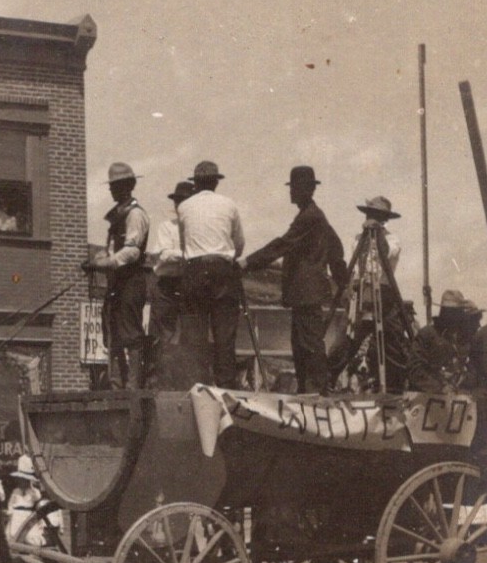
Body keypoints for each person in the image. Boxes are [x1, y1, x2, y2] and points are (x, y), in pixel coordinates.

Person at [239, 166, 349, 394]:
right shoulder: (314, 216)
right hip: (305, 293)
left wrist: (248, 262)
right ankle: (308, 390)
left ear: (307, 189)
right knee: (301, 345)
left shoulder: (309, 217)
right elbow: (336, 247)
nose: (291, 192)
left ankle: (317, 391)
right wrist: (341, 279)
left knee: (309, 345)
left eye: (295, 187)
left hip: (306, 293)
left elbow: (282, 244)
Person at [82, 161, 153, 388]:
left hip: (131, 280)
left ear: (128, 186)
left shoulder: (135, 215)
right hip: (116, 282)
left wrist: (108, 263)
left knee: (131, 333)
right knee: (110, 331)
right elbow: (111, 247)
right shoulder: (117, 216)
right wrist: (98, 260)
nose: (113, 190)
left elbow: (132, 250)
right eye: (112, 186)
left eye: (117, 185)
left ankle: (132, 386)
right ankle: (116, 385)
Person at [177, 161, 245, 387]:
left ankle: (197, 389)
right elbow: (238, 244)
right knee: (224, 336)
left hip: (194, 270)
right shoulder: (229, 205)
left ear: (195, 184)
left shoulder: (184, 207)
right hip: (222, 269)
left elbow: (183, 244)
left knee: (195, 337)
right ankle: (226, 389)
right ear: (216, 182)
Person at [344, 195, 414, 391]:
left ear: (384, 219)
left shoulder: (393, 239)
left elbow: (386, 254)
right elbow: (355, 267)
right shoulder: (357, 240)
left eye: (376, 215)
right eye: (369, 214)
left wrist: (377, 233)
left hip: (384, 295)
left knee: (392, 343)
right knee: (348, 341)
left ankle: (395, 387)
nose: (371, 218)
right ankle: (331, 380)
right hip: (361, 294)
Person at [143, 179, 194, 382]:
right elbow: (163, 255)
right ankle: (163, 380)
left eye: (184, 201)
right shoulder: (167, 227)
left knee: (187, 334)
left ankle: (182, 380)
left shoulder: (196, 229)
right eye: (177, 201)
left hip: (186, 284)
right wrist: (191, 254)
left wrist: (180, 254)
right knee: (164, 334)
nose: (180, 206)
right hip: (166, 284)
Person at [407, 289, 482, 393]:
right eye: (449, 311)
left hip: (456, 397)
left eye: (457, 312)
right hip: (426, 397)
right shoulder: (427, 334)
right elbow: (415, 369)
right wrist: (439, 388)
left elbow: (473, 369)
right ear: (442, 311)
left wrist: (463, 379)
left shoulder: (464, 338)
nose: (452, 316)